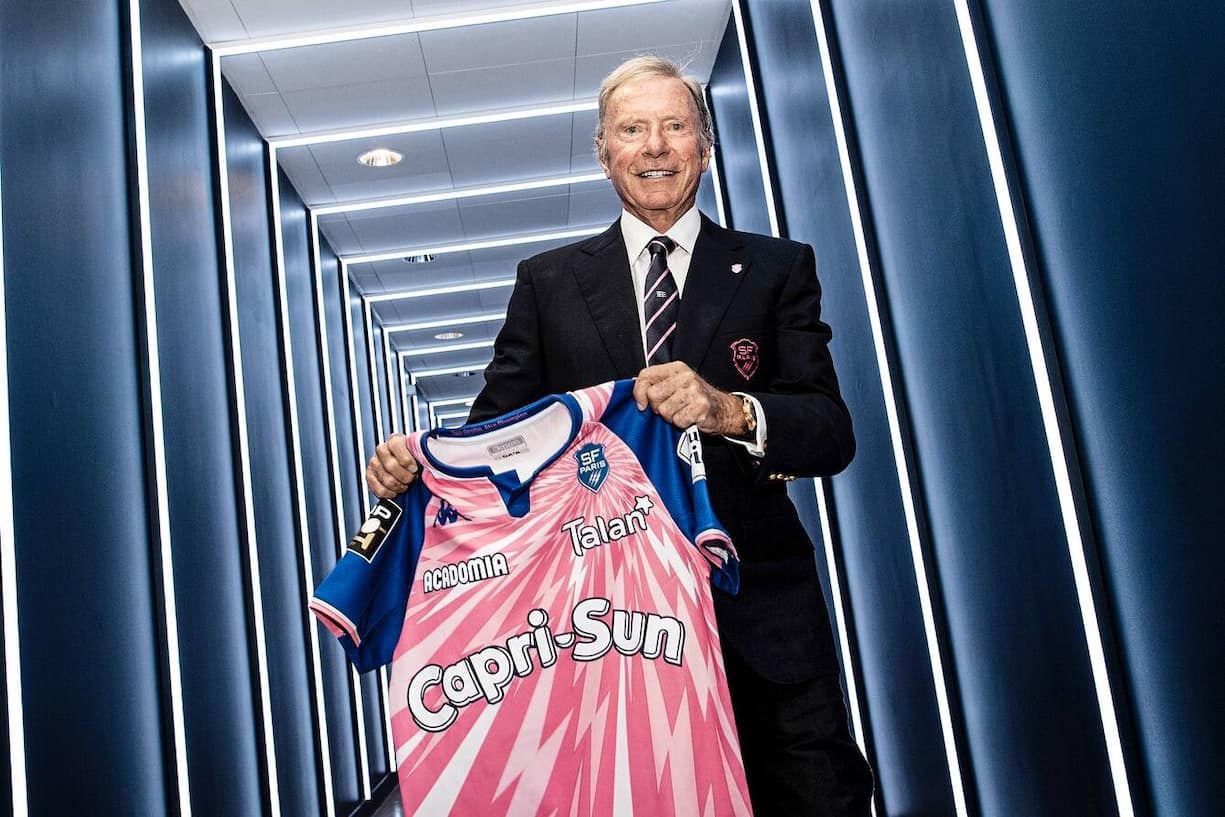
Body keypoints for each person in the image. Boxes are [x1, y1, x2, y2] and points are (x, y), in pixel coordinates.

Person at [365, 55, 874, 817]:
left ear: (703, 145)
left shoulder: (775, 267)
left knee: (815, 797)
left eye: (674, 126)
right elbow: (495, 436)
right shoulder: (548, 283)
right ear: (603, 155)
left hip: (760, 614)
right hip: (608, 631)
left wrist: (728, 409)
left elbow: (829, 430)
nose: (655, 147)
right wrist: (422, 465)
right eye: (631, 130)